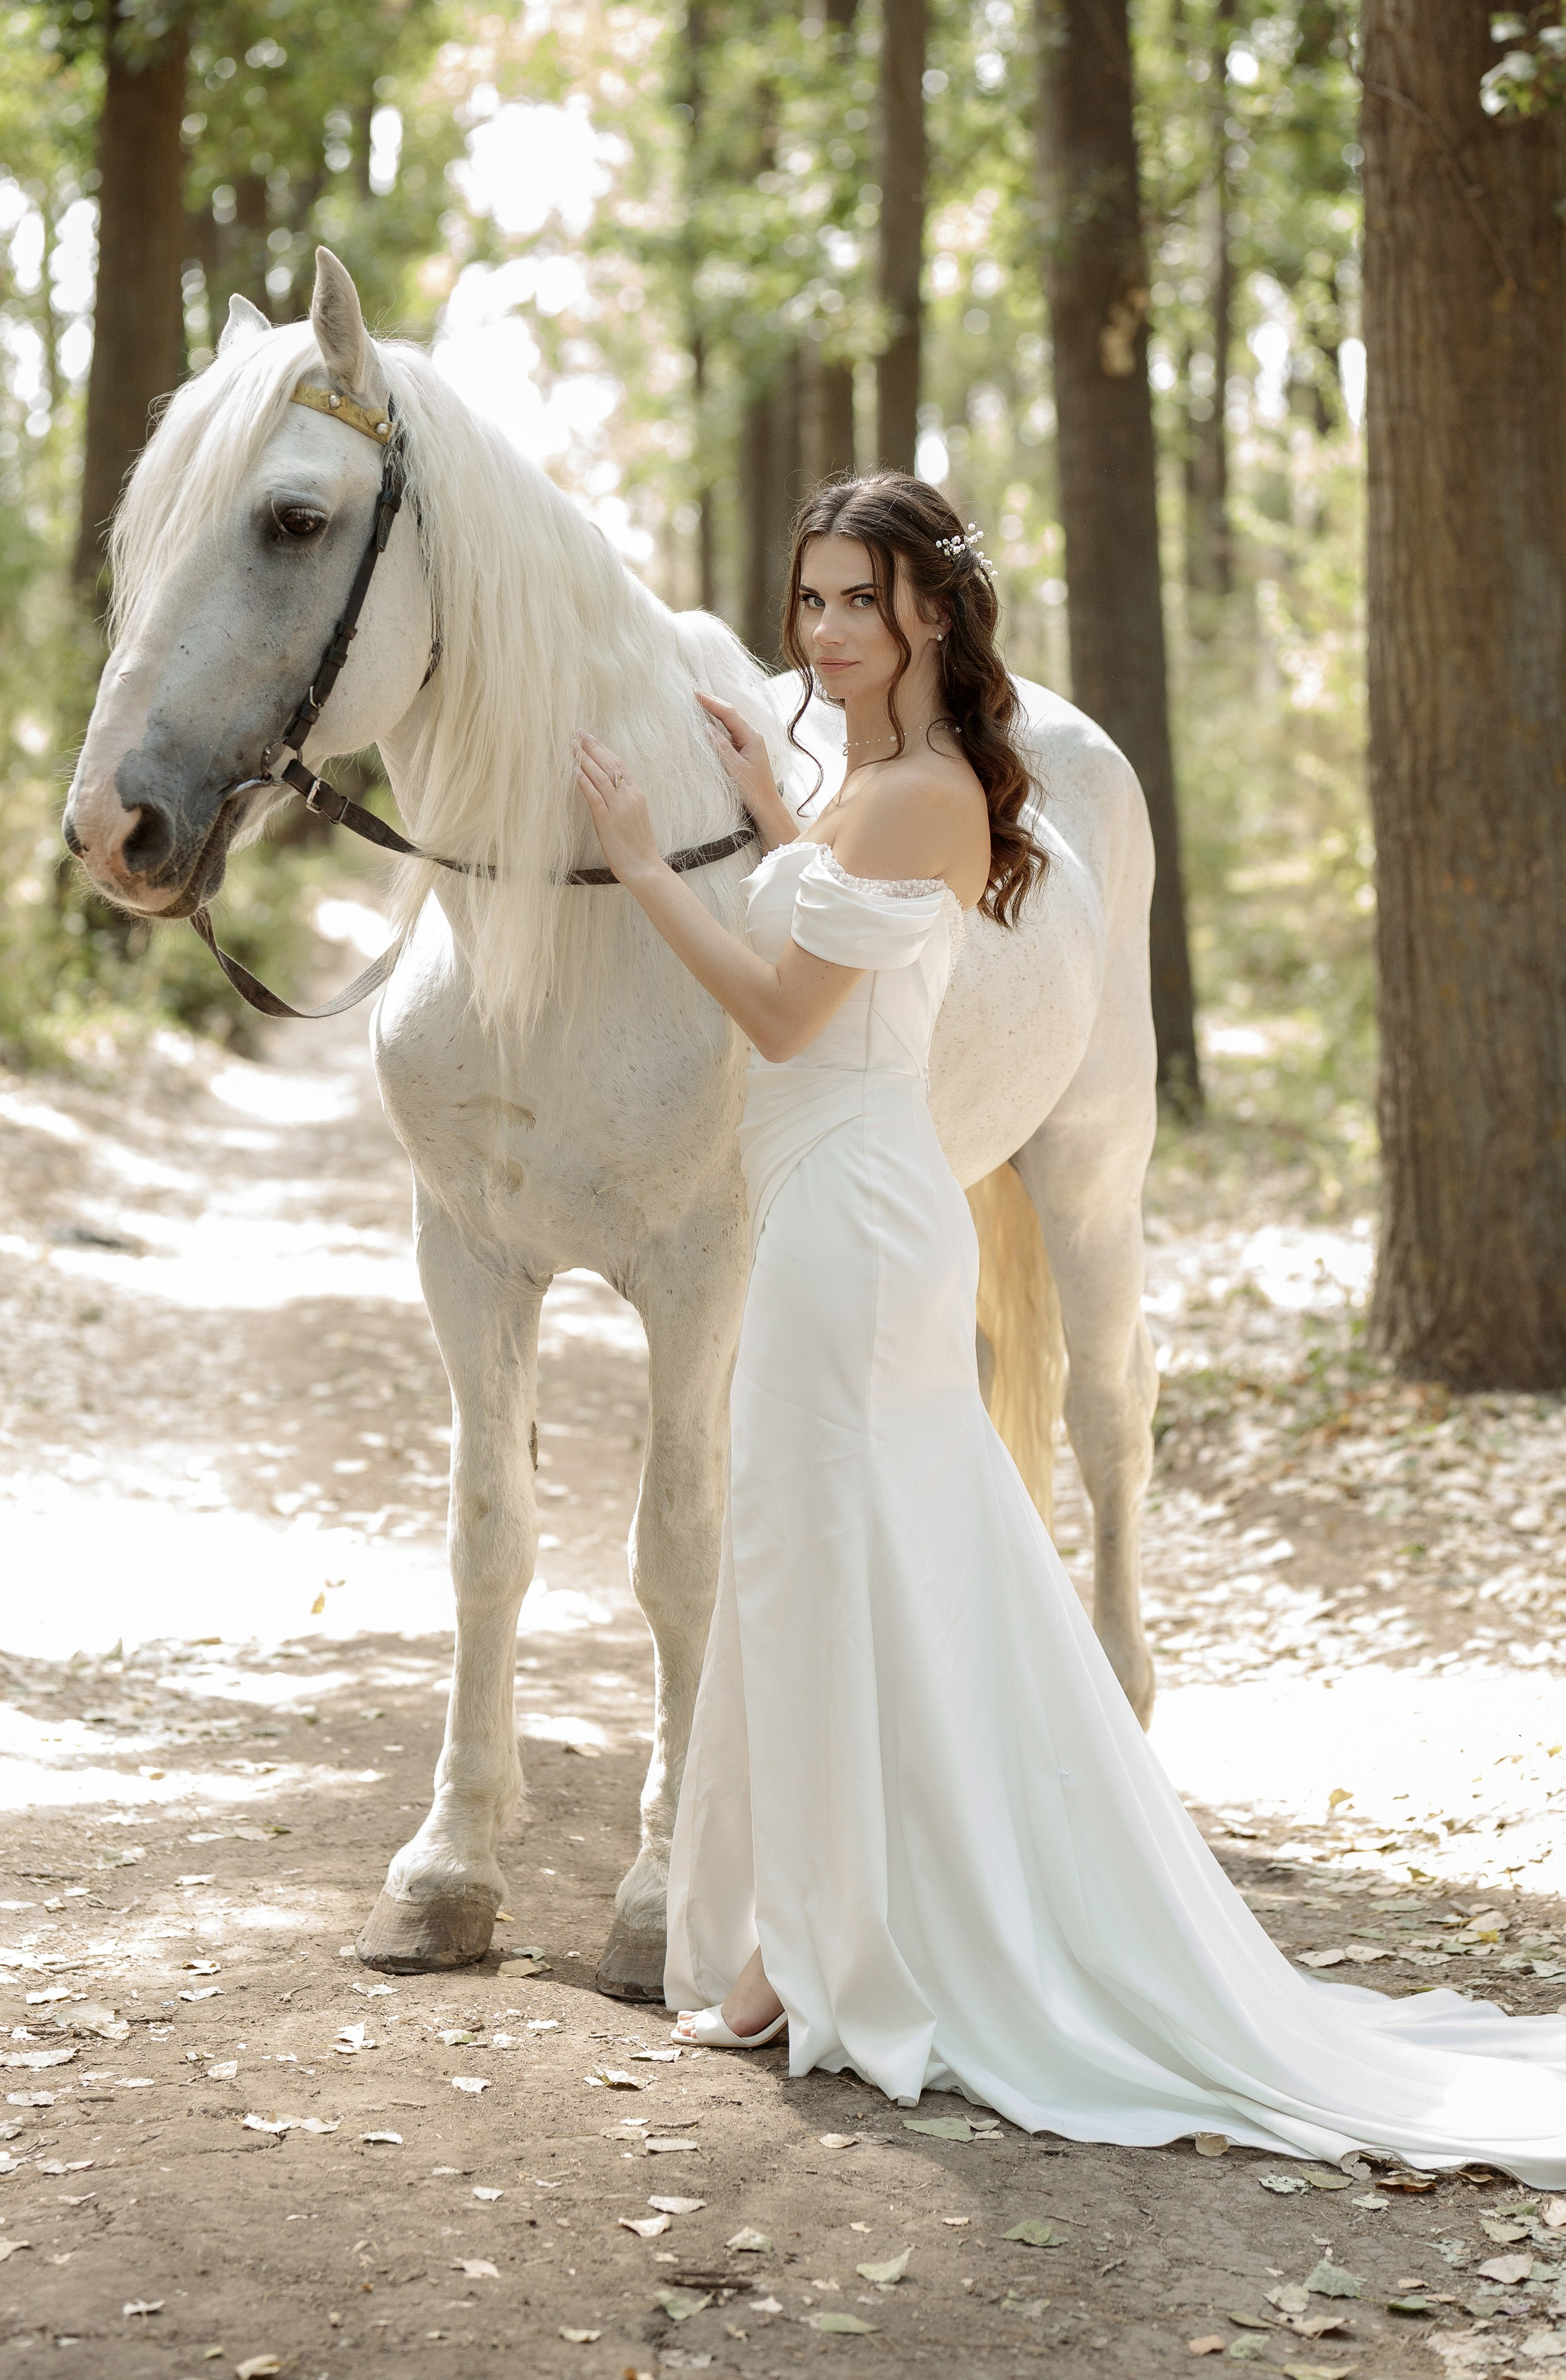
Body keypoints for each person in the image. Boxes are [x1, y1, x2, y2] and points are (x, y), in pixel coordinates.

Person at [573, 470, 1566, 2179]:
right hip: (840, 1206)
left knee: (819, 1552)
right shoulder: (885, 791)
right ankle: (799, 1934)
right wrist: (772, 813)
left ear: (929, 620)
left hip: (854, 1217)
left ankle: (813, 1951)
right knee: (838, 1555)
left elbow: (784, 1014)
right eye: (806, 600)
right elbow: (844, 932)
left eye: (854, 605)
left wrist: (645, 867)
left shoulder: (916, 797)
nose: (820, 633)